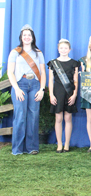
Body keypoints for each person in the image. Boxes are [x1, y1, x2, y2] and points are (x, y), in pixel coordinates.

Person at [7, 24, 46, 155]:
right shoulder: (15, 52)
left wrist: (41, 89)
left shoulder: (38, 53)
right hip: (20, 84)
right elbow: (10, 72)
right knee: (20, 116)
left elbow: (43, 72)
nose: (27, 37)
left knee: (33, 116)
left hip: (35, 84)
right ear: (21, 37)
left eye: (29, 35)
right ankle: (17, 149)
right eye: (25, 35)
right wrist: (16, 89)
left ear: (32, 37)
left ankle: (32, 147)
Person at [48, 39, 79, 153]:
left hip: (69, 93)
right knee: (58, 118)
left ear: (69, 50)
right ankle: (59, 144)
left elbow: (76, 81)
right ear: (58, 49)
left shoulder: (74, 63)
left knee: (68, 118)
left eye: (66, 48)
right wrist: (51, 95)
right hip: (57, 93)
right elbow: (51, 81)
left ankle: (67, 144)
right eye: (61, 48)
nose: (63, 50)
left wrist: (75, 94)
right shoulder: (53, 63)